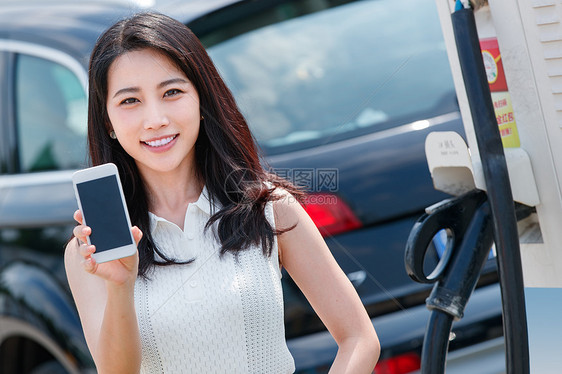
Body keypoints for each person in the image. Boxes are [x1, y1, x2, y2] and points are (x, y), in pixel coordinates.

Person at [64, 11, 380, 374]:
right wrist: (121, 286)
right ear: (108, 122)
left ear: (201, 101)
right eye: (130, 101)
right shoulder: (90, 252)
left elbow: (358, 337)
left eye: (172, 92)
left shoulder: (268, 207)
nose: (156, 119)